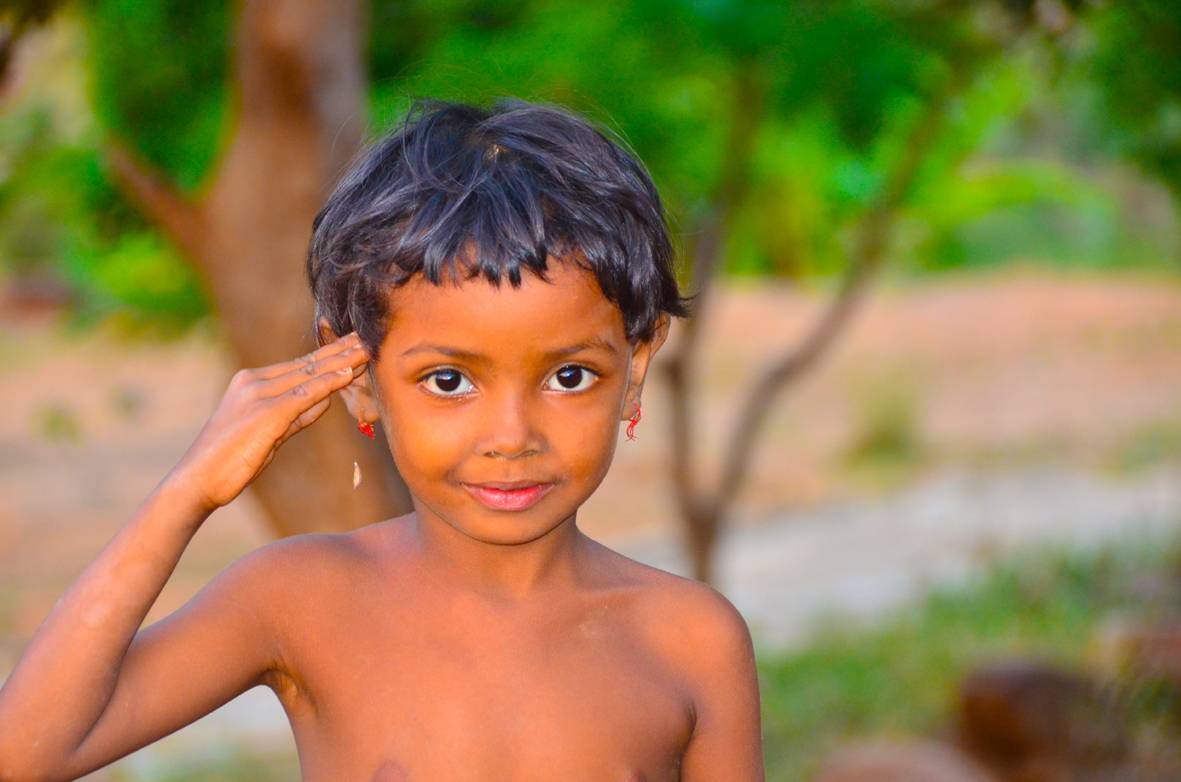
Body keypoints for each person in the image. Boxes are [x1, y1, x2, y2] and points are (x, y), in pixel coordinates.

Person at [0, 98, 764, 781]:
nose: (511, 436)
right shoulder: (303, 600)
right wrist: (185, 493)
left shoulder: (691, 639)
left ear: (635, 368)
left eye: (568, 377)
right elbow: (26, 752)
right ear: (359, 375)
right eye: (448, 381)